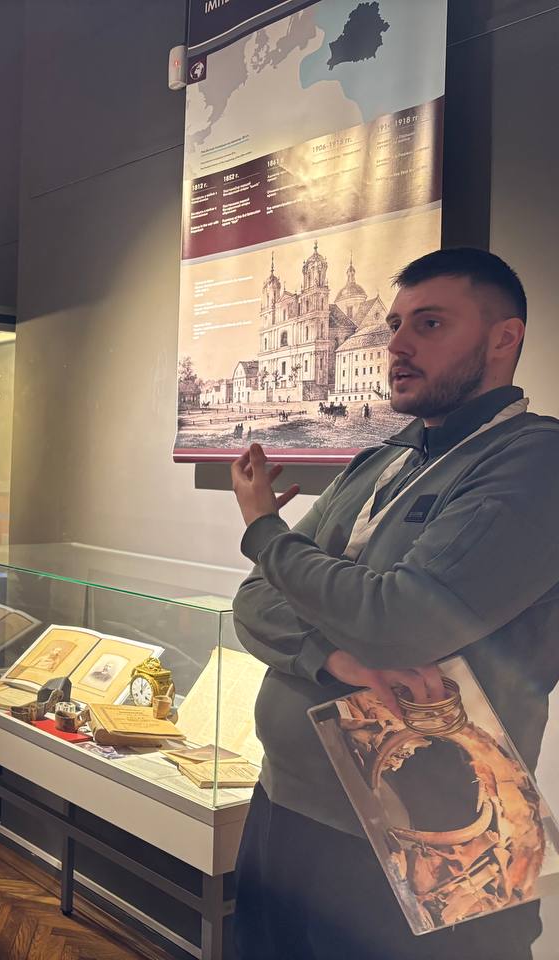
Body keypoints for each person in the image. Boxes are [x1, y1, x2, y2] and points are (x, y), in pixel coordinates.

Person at [228, 248, 558, 959]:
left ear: (504, 338)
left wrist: (265, 531)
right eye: (395, 324)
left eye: (430, 324)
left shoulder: (535, 459)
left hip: (440, 828)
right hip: (289, 802)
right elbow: (253, 599)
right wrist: (332, 656)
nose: (398, 344)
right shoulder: (382, 460)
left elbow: (398, 619)